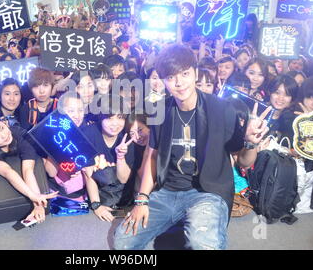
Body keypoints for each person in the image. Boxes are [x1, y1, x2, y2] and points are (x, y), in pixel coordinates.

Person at [113, 44, 270, 250]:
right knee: (123, 242)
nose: (179, 83)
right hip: (168, 191)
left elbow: (243, 161)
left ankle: (195, 223)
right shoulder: (160, 111)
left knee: (202, 243)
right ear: (164, 81)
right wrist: (141, 200)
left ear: (195, 72)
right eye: (171, 77)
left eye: (185, 74)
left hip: (208, 192)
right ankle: (182, 222)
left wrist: (250, 142)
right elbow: (152, 157)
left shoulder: (222, 109)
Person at [0, 112, 58, 223]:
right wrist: (34, 197)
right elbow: (8, 172)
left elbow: (28, 170)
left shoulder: (20, 134)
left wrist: (38, 204)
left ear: (4, 122)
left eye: (2, 128)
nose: (3, 135)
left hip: (40, 161)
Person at [83, 95, 137, 222]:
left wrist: (120, 157)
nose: (115, 124)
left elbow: (124, 179)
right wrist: (96, 205)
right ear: (101, 118)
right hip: (99, 195)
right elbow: (88, 174)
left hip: (124, 198)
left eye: (120, 118)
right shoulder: (90, 133)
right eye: (109, 118)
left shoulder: (127, 138)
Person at [44, 92, 88, 201]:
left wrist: (82, 169)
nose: (77, 115)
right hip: (59, 195)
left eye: (80, 110)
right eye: (71, 111)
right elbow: (51, 172)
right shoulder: (54, 135)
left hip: (84, 195)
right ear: (61, 112)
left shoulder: (89, 133)